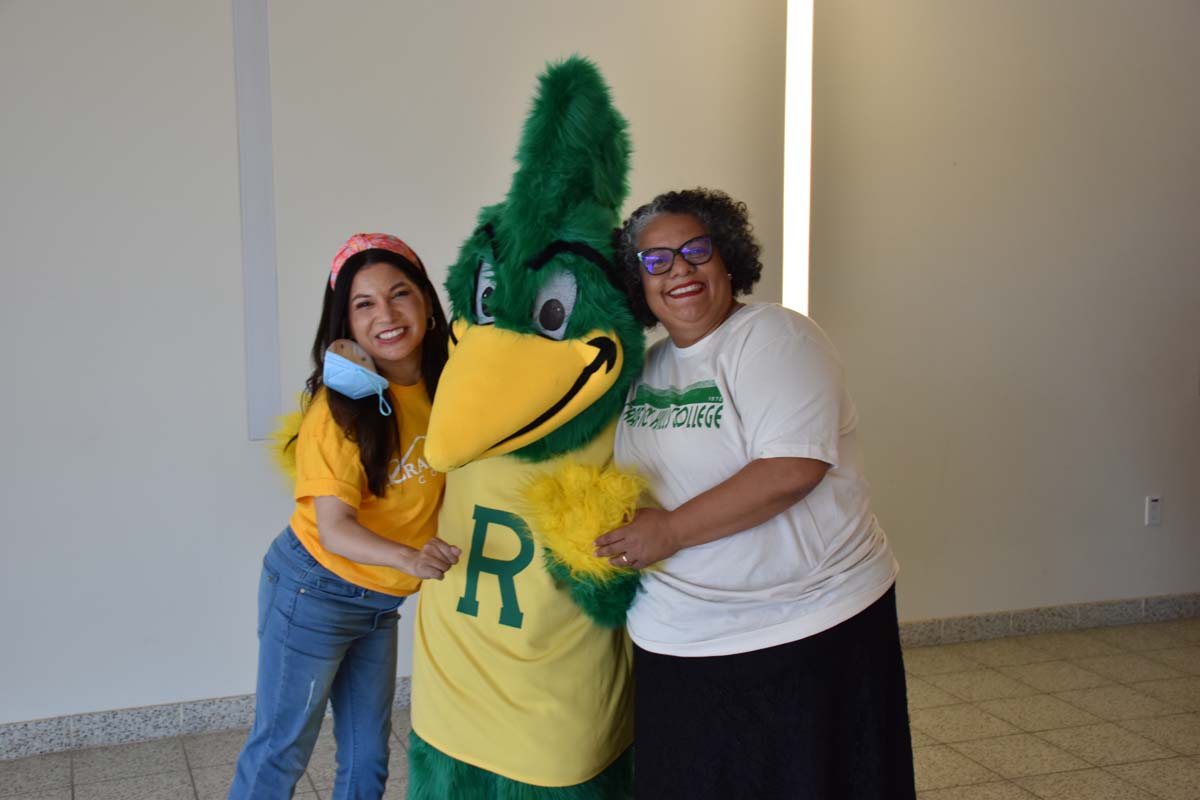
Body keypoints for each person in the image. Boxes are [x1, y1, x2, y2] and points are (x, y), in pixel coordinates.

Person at [594, 190, 917, 799]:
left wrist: (669, 531)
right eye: (656, 260)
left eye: (696, 250)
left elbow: (792, 468)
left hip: (805, 625)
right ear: (638, 282)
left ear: (727, 256)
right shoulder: (647, 368)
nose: (679, 269)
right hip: (678, 633)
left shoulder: (775, 337)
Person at [229, 233, 460, 800]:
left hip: (380, 600)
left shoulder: (449, 389)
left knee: (368, 756)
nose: (387, 315)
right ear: (347, 323)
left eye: (400, 293)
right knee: (282, 750)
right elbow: (334, 528)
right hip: (314, 591)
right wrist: (411, 557)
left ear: (427, 302)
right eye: (365, 303)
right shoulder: (336, 411)